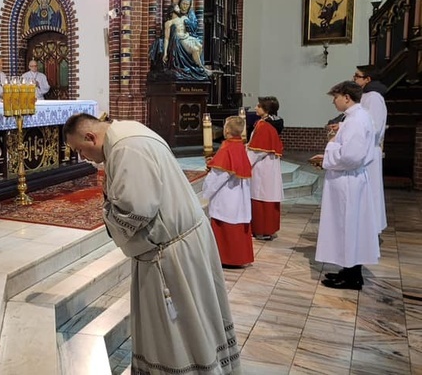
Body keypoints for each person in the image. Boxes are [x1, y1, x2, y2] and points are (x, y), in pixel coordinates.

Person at [64, 113, 241, 374]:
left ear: (91, 136)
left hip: (172, 254)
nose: (83, 157)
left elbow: (135, 208)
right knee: (196, 317)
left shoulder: (125, 148)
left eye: (81, 149)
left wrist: (107, 214)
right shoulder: (128, 130)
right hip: (181, 242)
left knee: (179, 326)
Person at [312, 81, 378, 290]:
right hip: (348, 178)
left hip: (348, 181)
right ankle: (348, 269)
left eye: (336, 97)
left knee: (348, 227)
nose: (334, 101)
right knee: (346, 227)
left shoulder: (357, 120)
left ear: (347, 97)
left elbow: (351, 156)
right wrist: (329, 154)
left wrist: (328, 152)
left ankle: (352, 277)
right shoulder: (354, 118)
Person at [202, 116, 254, 268]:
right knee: (236, 220)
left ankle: (226, 258)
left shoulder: (227, 148)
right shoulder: (240, 146)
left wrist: (205, 195)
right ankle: (239, 257)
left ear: (227, 130)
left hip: (227, 195)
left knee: (224, 222)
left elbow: (218, 177)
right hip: (239, 195)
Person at [353, 65, 388, 236]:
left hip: (369, 151)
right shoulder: (365, 96)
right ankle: (365, 226)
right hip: (364, 148)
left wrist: (346, 127)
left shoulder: (373, 97)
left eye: (357, 76)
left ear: (368, 79)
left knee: (370, 190)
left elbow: (372, 126)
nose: (354, 79)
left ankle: (371, 229)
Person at [247, 96, 284, 241]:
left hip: (263, 167)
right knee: (268, 195)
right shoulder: (270, 123)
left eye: (258, 106)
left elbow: (257, 151)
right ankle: (270, 229)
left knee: (260, 197)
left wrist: (244, 162)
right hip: (270, 166)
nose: (255, 108)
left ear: (266, 109)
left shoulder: (264, 126)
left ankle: (262, 230)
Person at [162, 0, 210, 80]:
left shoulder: (184, 17)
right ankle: (202, 68)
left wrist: (188, 23)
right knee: (195, 49)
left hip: (187, 37)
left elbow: (193, 27)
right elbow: (166, 38)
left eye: (187, 4)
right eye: (179, 6)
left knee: (199, 45)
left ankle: (197, 66)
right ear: (173, 10)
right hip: (180, 39)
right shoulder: (169, 23)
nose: (182, 7)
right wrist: (165, 53)